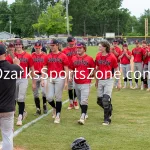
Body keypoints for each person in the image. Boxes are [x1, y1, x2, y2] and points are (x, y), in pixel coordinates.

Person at [0, 45, 22, 150]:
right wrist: (17, 64)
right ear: (6, 54)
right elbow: (21, 71)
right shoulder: (13, 68)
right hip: (7, 108)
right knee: (7, 136)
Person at [41, 39, 69, 124]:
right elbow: (45, 68)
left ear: (57, 45)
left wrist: (66, 81)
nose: (51, 47)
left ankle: (58, 115)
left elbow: (66, 69)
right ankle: (55, 107)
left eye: (53, 45)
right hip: (50, 77)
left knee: (58, 97)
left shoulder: (63, 56)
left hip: (59, 77)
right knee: (49, 97)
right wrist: (42, 78)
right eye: (50, 45)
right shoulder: (47, 56)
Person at [69, 42, 95, 125]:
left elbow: (93, 69)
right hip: (76, 82)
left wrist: (92, 74)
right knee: (80, 100)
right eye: (77, 48)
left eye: (80, 48)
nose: (78, 49)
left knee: (84, 100)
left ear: (84, 49)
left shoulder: (89, 58)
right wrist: (70, 76)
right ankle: (85, 113)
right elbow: (71, 69)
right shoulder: (73, 58)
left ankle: (82, 116)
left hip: (85, 82)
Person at [95, 40, 120, 125]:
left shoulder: (112, 56)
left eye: (100, 46)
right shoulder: (98, 56)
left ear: (105, 47)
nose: (99, 48)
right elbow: (97, 68)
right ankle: (109, 108)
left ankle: (107, 119)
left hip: (109, 79)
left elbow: (116, 69)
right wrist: (96, 80)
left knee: (105, 99)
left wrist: (118, 82)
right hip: (101, 79)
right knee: (99, 101)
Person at [14, 39, 36, 126]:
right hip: (14, 78)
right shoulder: (12, 55)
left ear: (22, 45)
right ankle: (22, 111)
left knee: (21, 97)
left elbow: (32, 69)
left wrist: (34, 82)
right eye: (16, 44)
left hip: (23, 78)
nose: (18, 46)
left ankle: (20, 117)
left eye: (19, 44)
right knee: (15, 98)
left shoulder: (28, 55)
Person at [62, 37, 79, 110]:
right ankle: (71, 102)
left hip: (77, 68)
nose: (72, 44)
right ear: (68, 43)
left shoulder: (78, 48)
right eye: (71, 43)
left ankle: (75, 101)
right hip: (69, 69)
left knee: (76, 85)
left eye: (73, 43)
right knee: (70, 86)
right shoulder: (64, 51)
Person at [31, 42, 48, 115]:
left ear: (41, 47)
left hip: (43, 75)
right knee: (35, 93)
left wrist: (43, 77)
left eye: (39, 48)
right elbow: (30, 67)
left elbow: (46, 67)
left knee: (44, 92)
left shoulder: (45, 55)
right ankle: (38, 109)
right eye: (36, 48)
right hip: (35, 75)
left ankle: (44, 105)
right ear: (34, 48)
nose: (37, 49)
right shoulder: (32, 56)